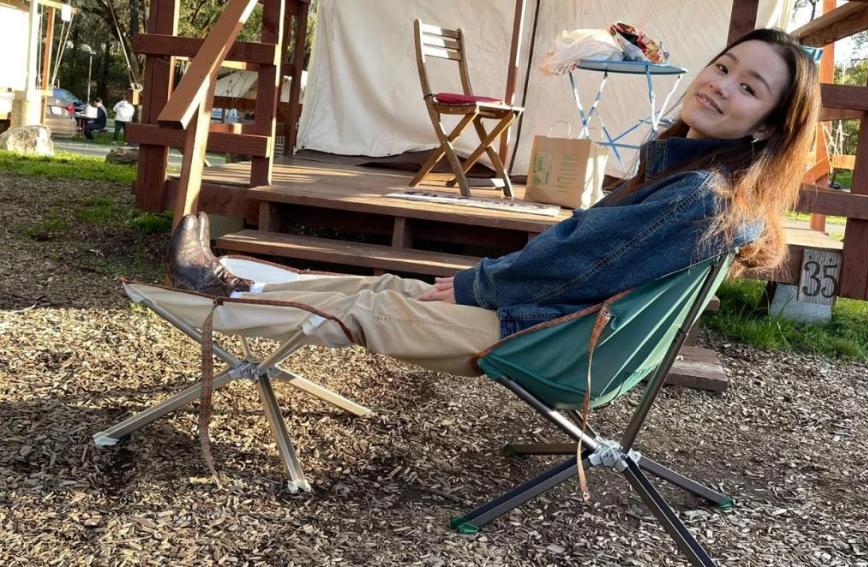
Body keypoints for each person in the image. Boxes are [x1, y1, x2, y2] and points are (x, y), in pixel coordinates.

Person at [165, 29, 820, 377]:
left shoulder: (699, 196)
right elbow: (585, 257)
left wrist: (478, 285)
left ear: (767, 127)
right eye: (724, 67)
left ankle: (225, 290)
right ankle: (241, 282)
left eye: (749, 87)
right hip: (562, 326)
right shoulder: (694, 178)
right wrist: (480, 283)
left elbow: (581, 264)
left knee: (374, 307)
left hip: (550, 342)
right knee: (387, 285)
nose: (721, 85)